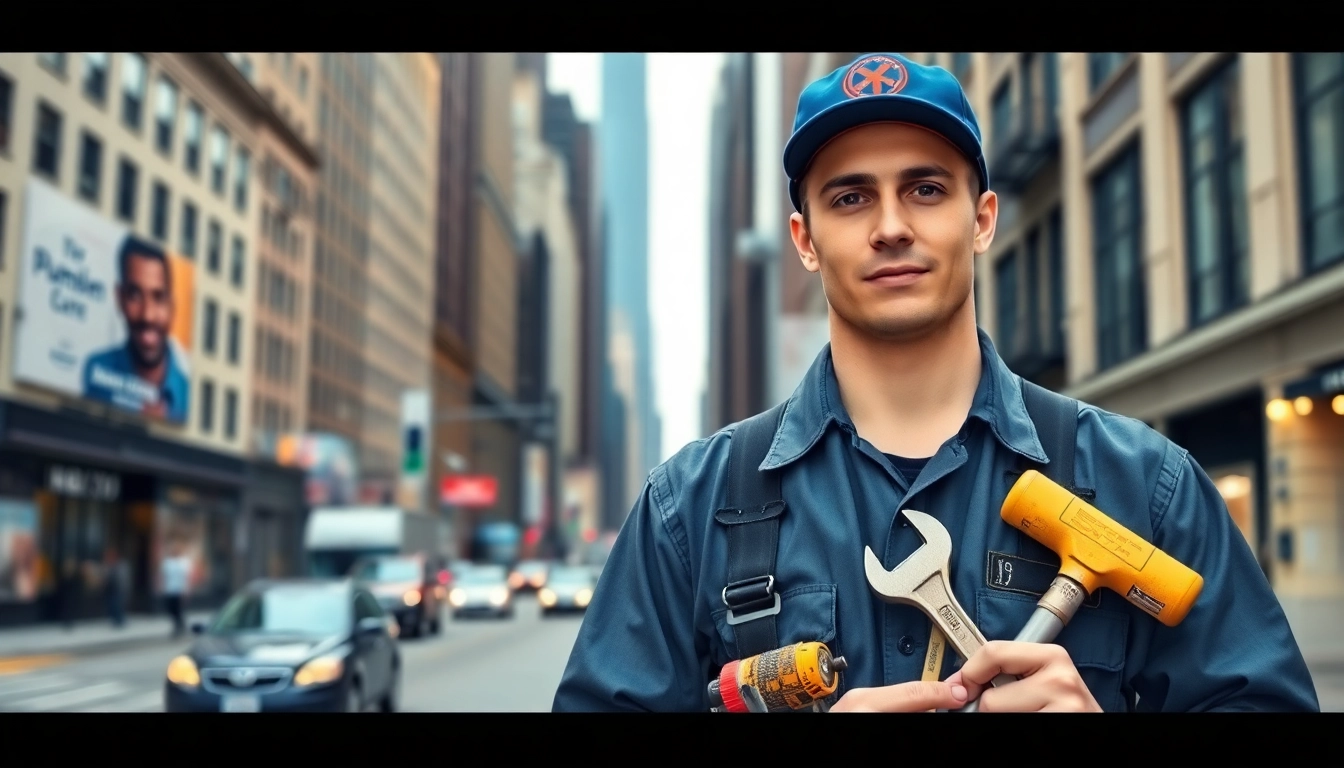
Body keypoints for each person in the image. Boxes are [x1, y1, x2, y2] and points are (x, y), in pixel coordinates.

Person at [552, 53, 1319, 713]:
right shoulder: (687, 510)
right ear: (806, 240)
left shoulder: (1146, 486)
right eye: (850, 198)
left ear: (982, 219)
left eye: (925, 189)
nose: (890, 225)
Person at [82, 234, 189, 423]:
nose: (147, 315)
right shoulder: (96, 369)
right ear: (119, 298)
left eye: (158, 297)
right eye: (135, 295)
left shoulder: (187, 392)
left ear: (172, 307)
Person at [160, 539, 192, 638]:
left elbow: (186, 578)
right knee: (171, 610)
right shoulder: (167, 563)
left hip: (179, 590)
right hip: (169, 590)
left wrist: (186, 590)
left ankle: (179, 627)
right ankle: (178, 625)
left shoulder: (183, 563)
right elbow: (164, 576)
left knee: (178, 610)